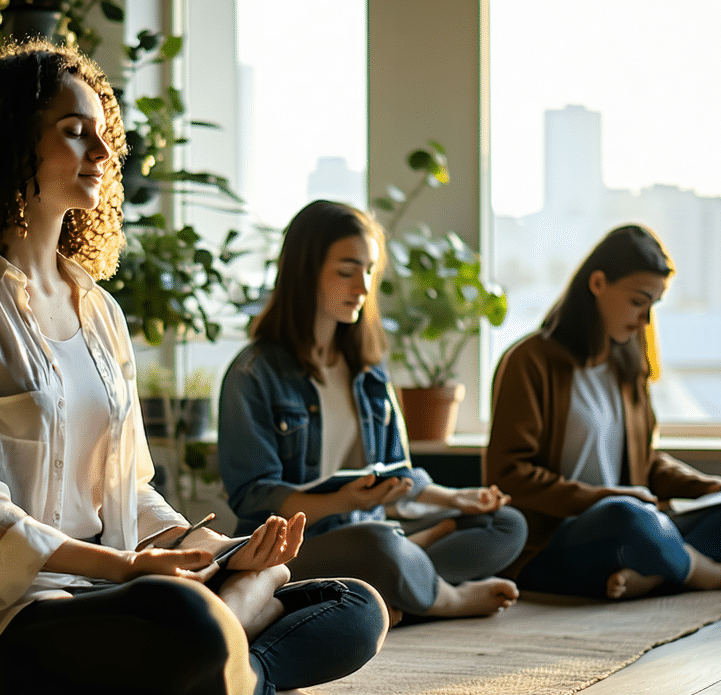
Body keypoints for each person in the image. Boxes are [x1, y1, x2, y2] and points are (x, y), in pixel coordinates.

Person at [0, 40, 388, 695]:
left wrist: (215, 547)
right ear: (9, 142)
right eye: (74, 130)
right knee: (181, 614)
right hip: (10, 621)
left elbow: (130, 492)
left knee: (352, 603)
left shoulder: (101, 313)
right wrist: (123, 568)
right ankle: (236, 689)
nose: (103, 149)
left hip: (124, 600)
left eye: (104, 131)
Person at [217, 200, 527, 625]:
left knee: (506, 524)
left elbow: (397, 474)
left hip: (373, 526)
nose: (362, 288)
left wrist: (456, 498)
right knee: (377, 544)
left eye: (368, 271)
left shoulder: (369, 372)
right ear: (305, 274)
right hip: (301, 547)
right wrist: (344, 500)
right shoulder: (253, 374)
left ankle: (392, 589)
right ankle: (442, 598)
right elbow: (255, 495)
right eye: (346, 271)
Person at [482, 224, 721, 601]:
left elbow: (645, 463)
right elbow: (508, 475)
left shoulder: (629, 363)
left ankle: (655, 570)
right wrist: (601, 497)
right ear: (597, 283)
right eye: (637, 301)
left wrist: (716, 489)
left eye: (653, 306)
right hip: (561, 539)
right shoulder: (528, 361)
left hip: (638, 521)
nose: (645, 319)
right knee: (627, 515)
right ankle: (705, 573)